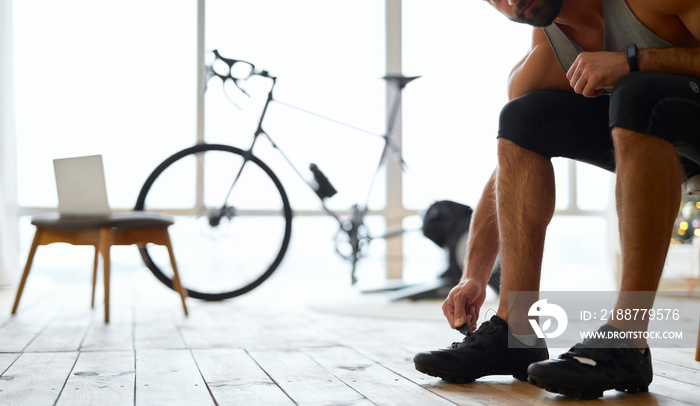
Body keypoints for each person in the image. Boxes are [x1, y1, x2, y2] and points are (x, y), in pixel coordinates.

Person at [414, 0, 700, 399]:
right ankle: (516, 332)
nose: (512, 0)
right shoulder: (546, 59)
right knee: (521, 118)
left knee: (637, 91)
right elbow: (507, 171)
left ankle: (627, 337)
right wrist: (474, 275)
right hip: (666, 140)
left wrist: (634, 62)